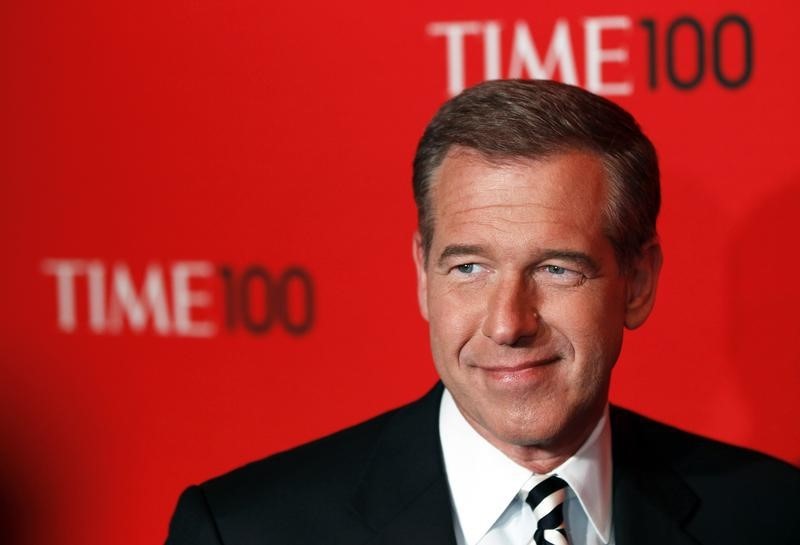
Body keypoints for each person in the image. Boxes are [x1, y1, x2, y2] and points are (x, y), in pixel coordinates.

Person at [164, 80, 800, 545]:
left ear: (637, 282)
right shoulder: (245, 531)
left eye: (556, 269)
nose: (507, 323)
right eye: (469, 268)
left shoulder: (771, 515)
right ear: (423, 274)